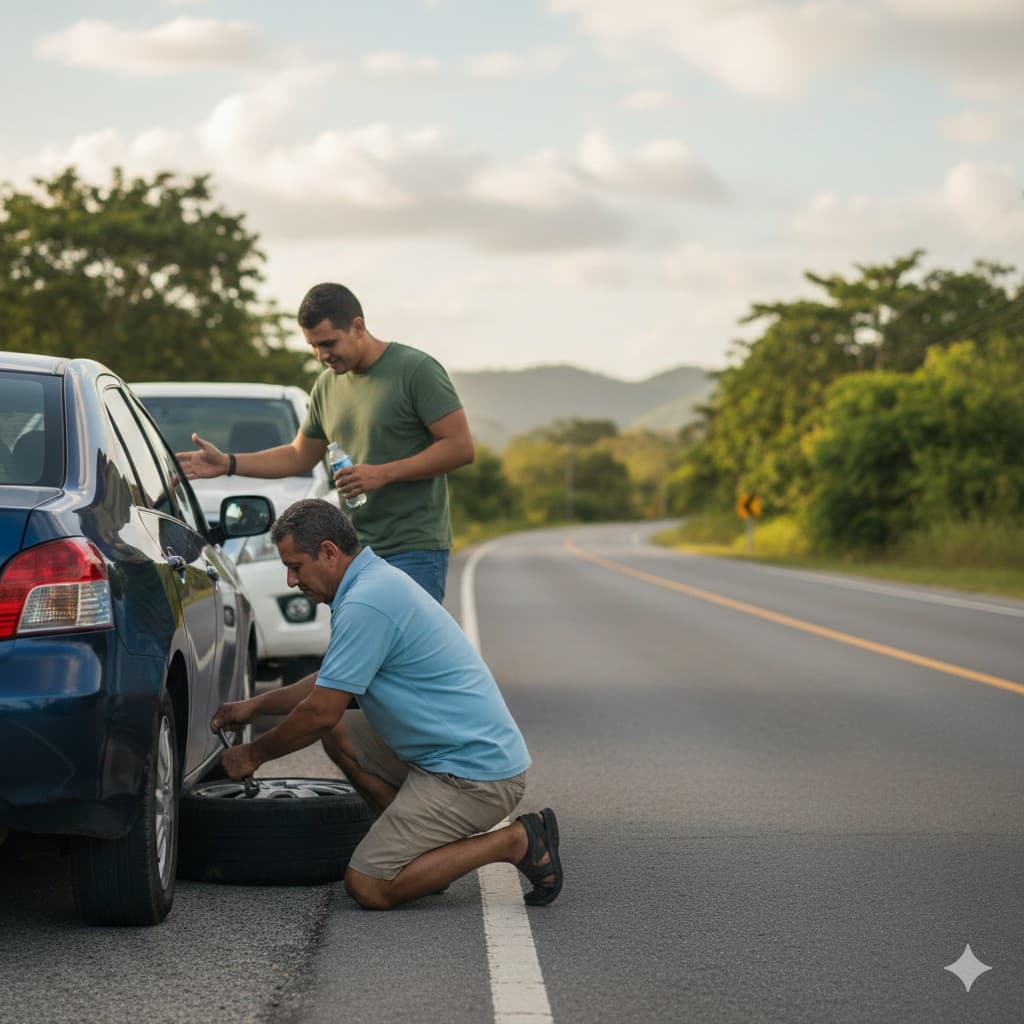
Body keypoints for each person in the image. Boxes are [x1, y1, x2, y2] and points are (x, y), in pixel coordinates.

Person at [210, 498, 563, 910]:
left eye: (296, 566)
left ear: (328, 552)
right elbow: (332, 682)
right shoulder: (370, 583)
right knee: (341, 733)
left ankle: (516, 841)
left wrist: (254, 753)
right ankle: (422, 860)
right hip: (446, 758)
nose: (291, 580)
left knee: (368, 885)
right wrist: (255, 706)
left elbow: (321, 712)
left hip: (476, 777)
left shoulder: (366, 602)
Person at [176, 282, 474, 602]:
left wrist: (381, 473)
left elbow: (459, 447)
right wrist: (229, 464)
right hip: (351, 555)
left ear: (358, 327)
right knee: (363, 649)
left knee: (408, 651)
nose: (322, 355)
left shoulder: (416, 370)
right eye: (313, 346)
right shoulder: (326, 385)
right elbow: (298, 455)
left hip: (413, 548)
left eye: (329, 343)